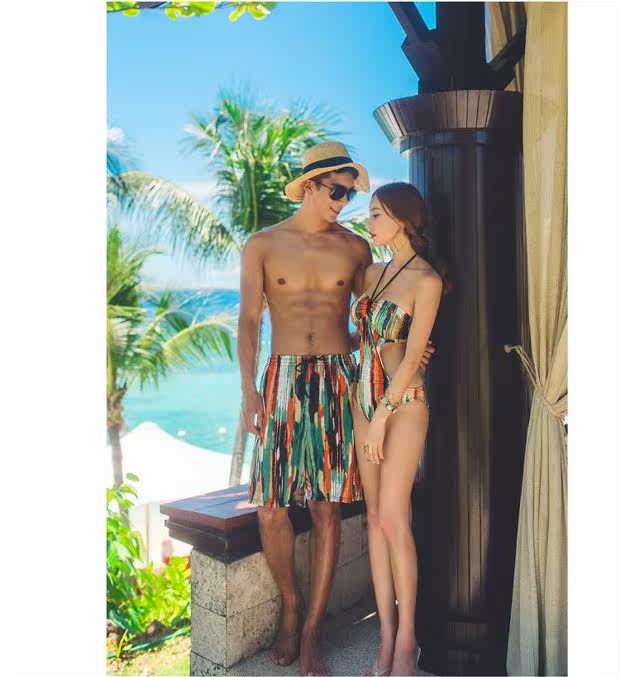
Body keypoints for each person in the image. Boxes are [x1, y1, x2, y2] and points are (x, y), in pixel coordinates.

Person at [238, 142, 435, 676]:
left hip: (339, 377)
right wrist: (249, 391)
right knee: (270, 506)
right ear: (309, 185)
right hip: (280, 376)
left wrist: (404, 347)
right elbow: (249, 322)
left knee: (327, 507)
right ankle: (291, 605)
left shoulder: (355, 249)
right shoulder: (262, 244)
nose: (345, 202)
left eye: (351, 194)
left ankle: (311, 632)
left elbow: (377, 314)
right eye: (337, 191)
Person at [351, 182, 444, 676]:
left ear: (402, 219)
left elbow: (410, 360)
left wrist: (383, 414)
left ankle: (408, 640)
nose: (369, 223)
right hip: (360, 400)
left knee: (393, 518)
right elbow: (362, 335)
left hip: (403, 405)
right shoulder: (372, 273)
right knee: (372, 519)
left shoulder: (426, 280)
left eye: (376, 214)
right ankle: (385, 636)